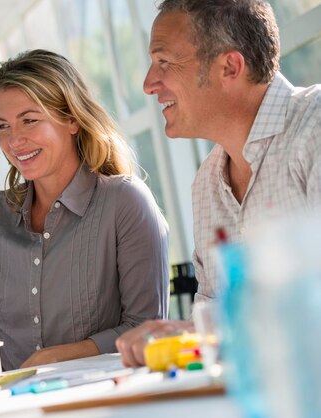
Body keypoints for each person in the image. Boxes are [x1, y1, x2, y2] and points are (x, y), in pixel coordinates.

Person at [116, 0, 321, 367]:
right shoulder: (206, 184)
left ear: (229, 66)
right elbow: (215, 323)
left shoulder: (315, 130)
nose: (149, 83)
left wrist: (203, 334)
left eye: (164, 62)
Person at [0, 49, 170, 371]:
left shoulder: (125, 203)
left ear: (71, 119)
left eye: (29, 120)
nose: (15, 141)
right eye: (3, 126)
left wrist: (57, 356)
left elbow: (148, 329)